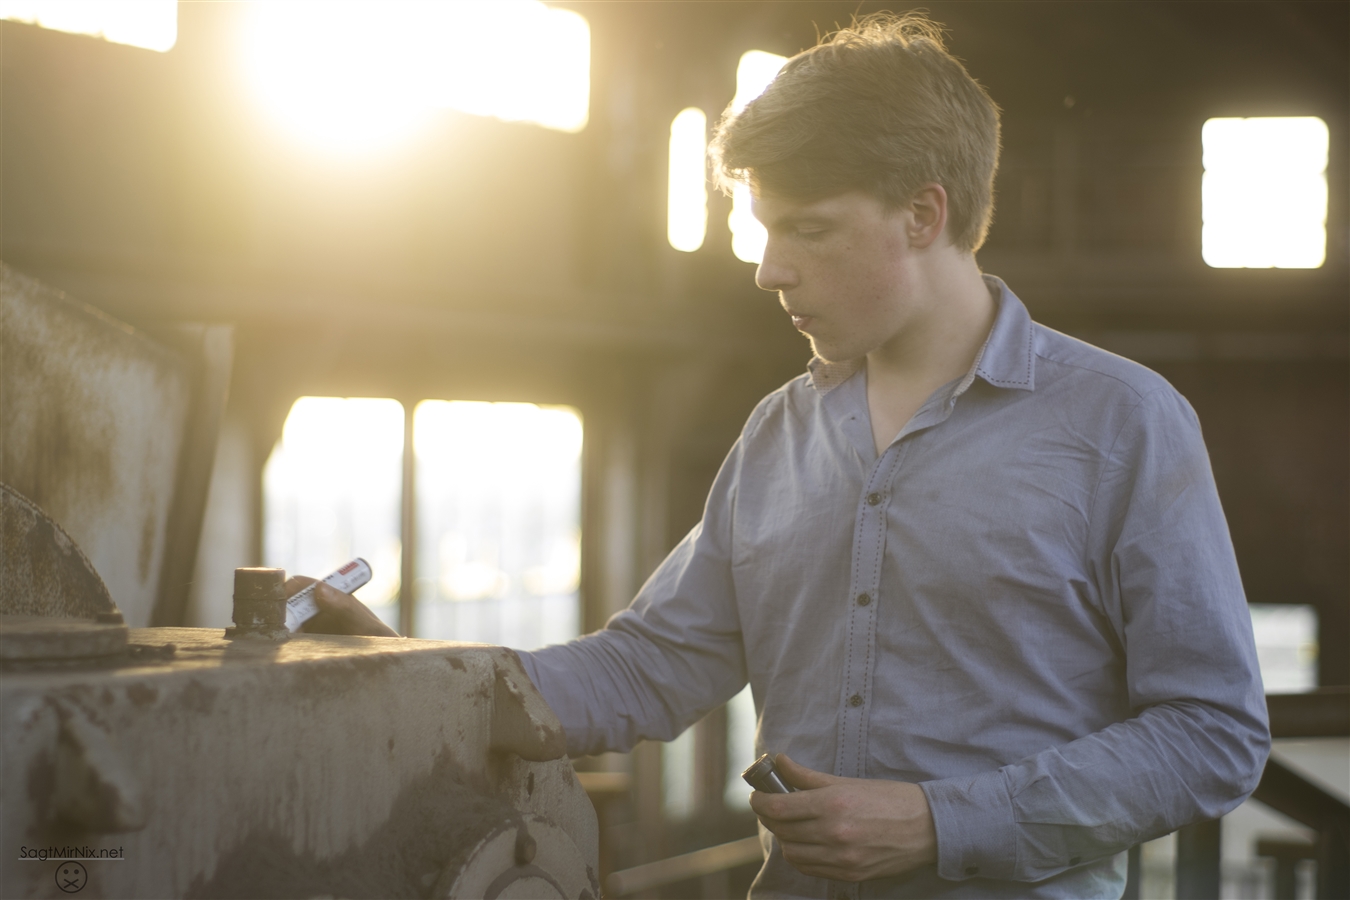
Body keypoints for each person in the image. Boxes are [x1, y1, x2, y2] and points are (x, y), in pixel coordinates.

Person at [300, 13, 1270, 898]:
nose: (769, 269)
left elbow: (1213, 734)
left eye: (808, 229)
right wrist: (421, 681)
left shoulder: (1121, 423)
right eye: (763, 229)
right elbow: (650, 666)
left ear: (924, 216)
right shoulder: (779, 431)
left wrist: (941, 822)